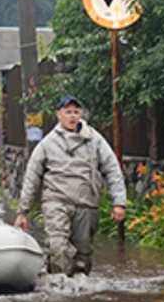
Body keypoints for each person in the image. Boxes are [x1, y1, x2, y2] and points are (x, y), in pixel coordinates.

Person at [14, 95, 127, 276]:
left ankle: (78, 292)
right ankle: (58, 290)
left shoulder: (94, 140)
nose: (72, 116)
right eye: (68, 112)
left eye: (76, 112)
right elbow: (32, 177)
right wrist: (23, 211)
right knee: (58, 247)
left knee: (83, 255)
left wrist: (119, 202)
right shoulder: (48, 143)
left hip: (86, 203)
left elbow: (112, 169)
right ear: (59, 115)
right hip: (56, 202)